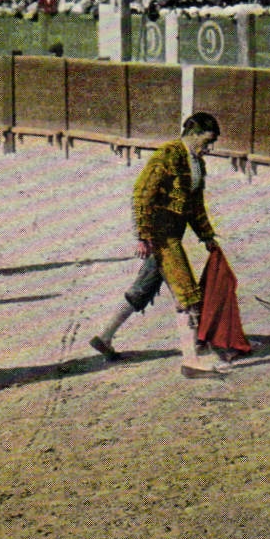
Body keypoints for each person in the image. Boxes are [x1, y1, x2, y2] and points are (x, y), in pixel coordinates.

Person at [91, 112, 229, 379]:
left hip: (171, 234)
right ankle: (191, 361)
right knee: (187, 295)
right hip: (162, 237)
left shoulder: (196, 162)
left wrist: (206, 235)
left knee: (143, 289)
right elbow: (143, 193)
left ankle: (104, 337)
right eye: (208, 141)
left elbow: (195, 206)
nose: (209, 149)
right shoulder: (168, 155)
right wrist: (143, 236)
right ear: (193, 134)